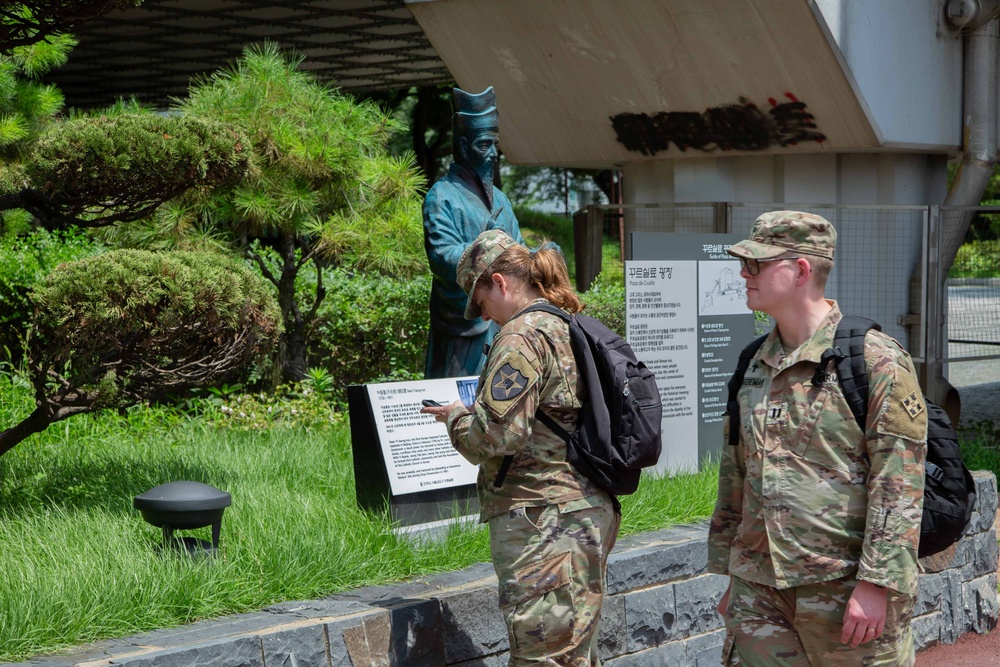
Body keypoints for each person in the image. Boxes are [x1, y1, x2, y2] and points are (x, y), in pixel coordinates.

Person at [708, 211, 928, 666]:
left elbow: (898, 483)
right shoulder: (753, 362)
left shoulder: (875, 361)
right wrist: (735, 573)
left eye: (757, 264)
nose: (743, 273)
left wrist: (877, 583)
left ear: (802, 270)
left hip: (845, 590)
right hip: (760, 591)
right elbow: (737, 473)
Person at [422, 229, 619, 666]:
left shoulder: (521, 336)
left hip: (541, 522)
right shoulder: (563, 324)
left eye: (481, 301)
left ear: (500, 282)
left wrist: (456, 416)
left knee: (543, 658)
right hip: (581, 512)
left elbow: (494, 437)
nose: (484, 315)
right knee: (573, 654)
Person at [423, 86, 524, 379]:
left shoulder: (502, 201)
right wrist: (487, 248)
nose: (493, 153)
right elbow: (442, 255)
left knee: (499, 403)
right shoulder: (442, 196)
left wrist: (537, 256)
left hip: (503, 322)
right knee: (454, 405)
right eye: (484, 145)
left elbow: (519, 250)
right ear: (464, 147)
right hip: (462, 325)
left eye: (495, 144)